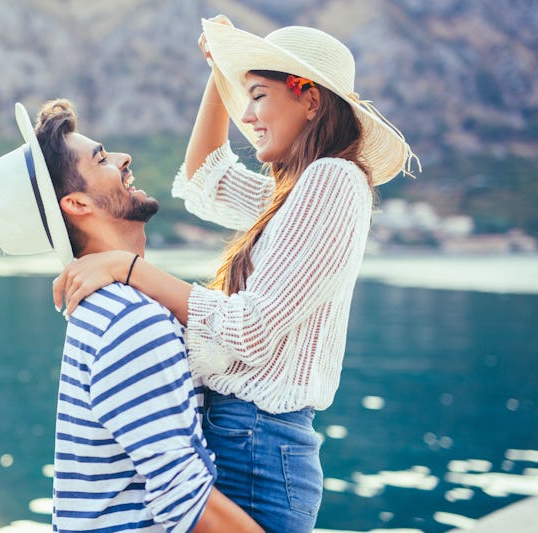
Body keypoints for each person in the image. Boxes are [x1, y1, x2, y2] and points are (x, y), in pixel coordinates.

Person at [51, 16, 419, 533]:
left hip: (260, 445)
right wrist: (222, 69)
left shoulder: (332, 181)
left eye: (259, 96)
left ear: (311, 101)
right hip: (243, 437)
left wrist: (129, 268)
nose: (245, 114)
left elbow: (250, 328)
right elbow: (204, 178)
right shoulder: (291, 195)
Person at [0, 99, 262, 533]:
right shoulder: (130, 320)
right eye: (101, 158)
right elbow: (183, 500)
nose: (123, 157)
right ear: (76, 204)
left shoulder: (108, 307)